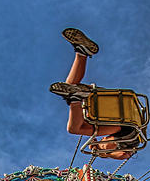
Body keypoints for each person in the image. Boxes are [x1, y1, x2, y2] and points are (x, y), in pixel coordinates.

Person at [48, 28, 134, 160]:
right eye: (104, 140)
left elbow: (104, 147)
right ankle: (76, 98)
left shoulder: (116, 136)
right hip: (123, 126)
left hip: (118, 112)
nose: (103, 139)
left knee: (70, 86)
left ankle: (81, 53)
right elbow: (124, 154)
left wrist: (98, 148)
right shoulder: (125, 147)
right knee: (74, 129)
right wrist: (102, 150)